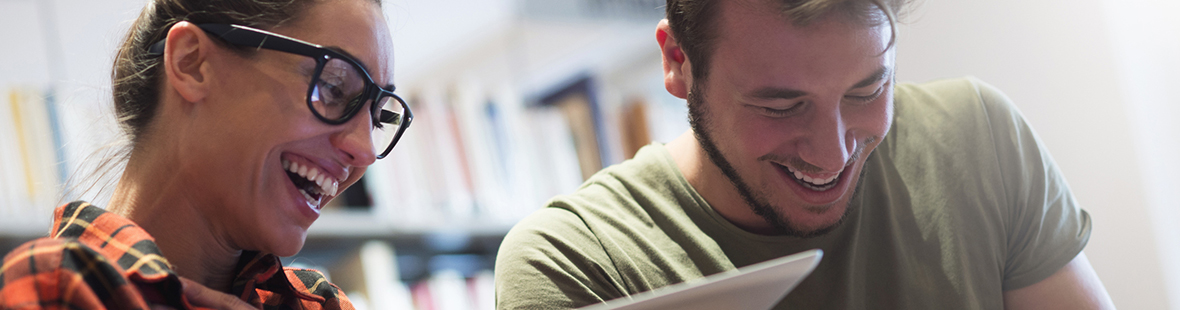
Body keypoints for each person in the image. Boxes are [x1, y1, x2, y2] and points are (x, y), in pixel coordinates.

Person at [494, 0, 1116, 308]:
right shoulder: (574, 261)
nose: (834, 151)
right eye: (780, 106)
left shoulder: (977, 137)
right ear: (678, 60)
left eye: (868, 89)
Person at [0, 0, 411, 308]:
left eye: (378, 118)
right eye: (334, 87)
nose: (365, 151)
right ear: (191, 62)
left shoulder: (318, 303)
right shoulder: (57, 288)